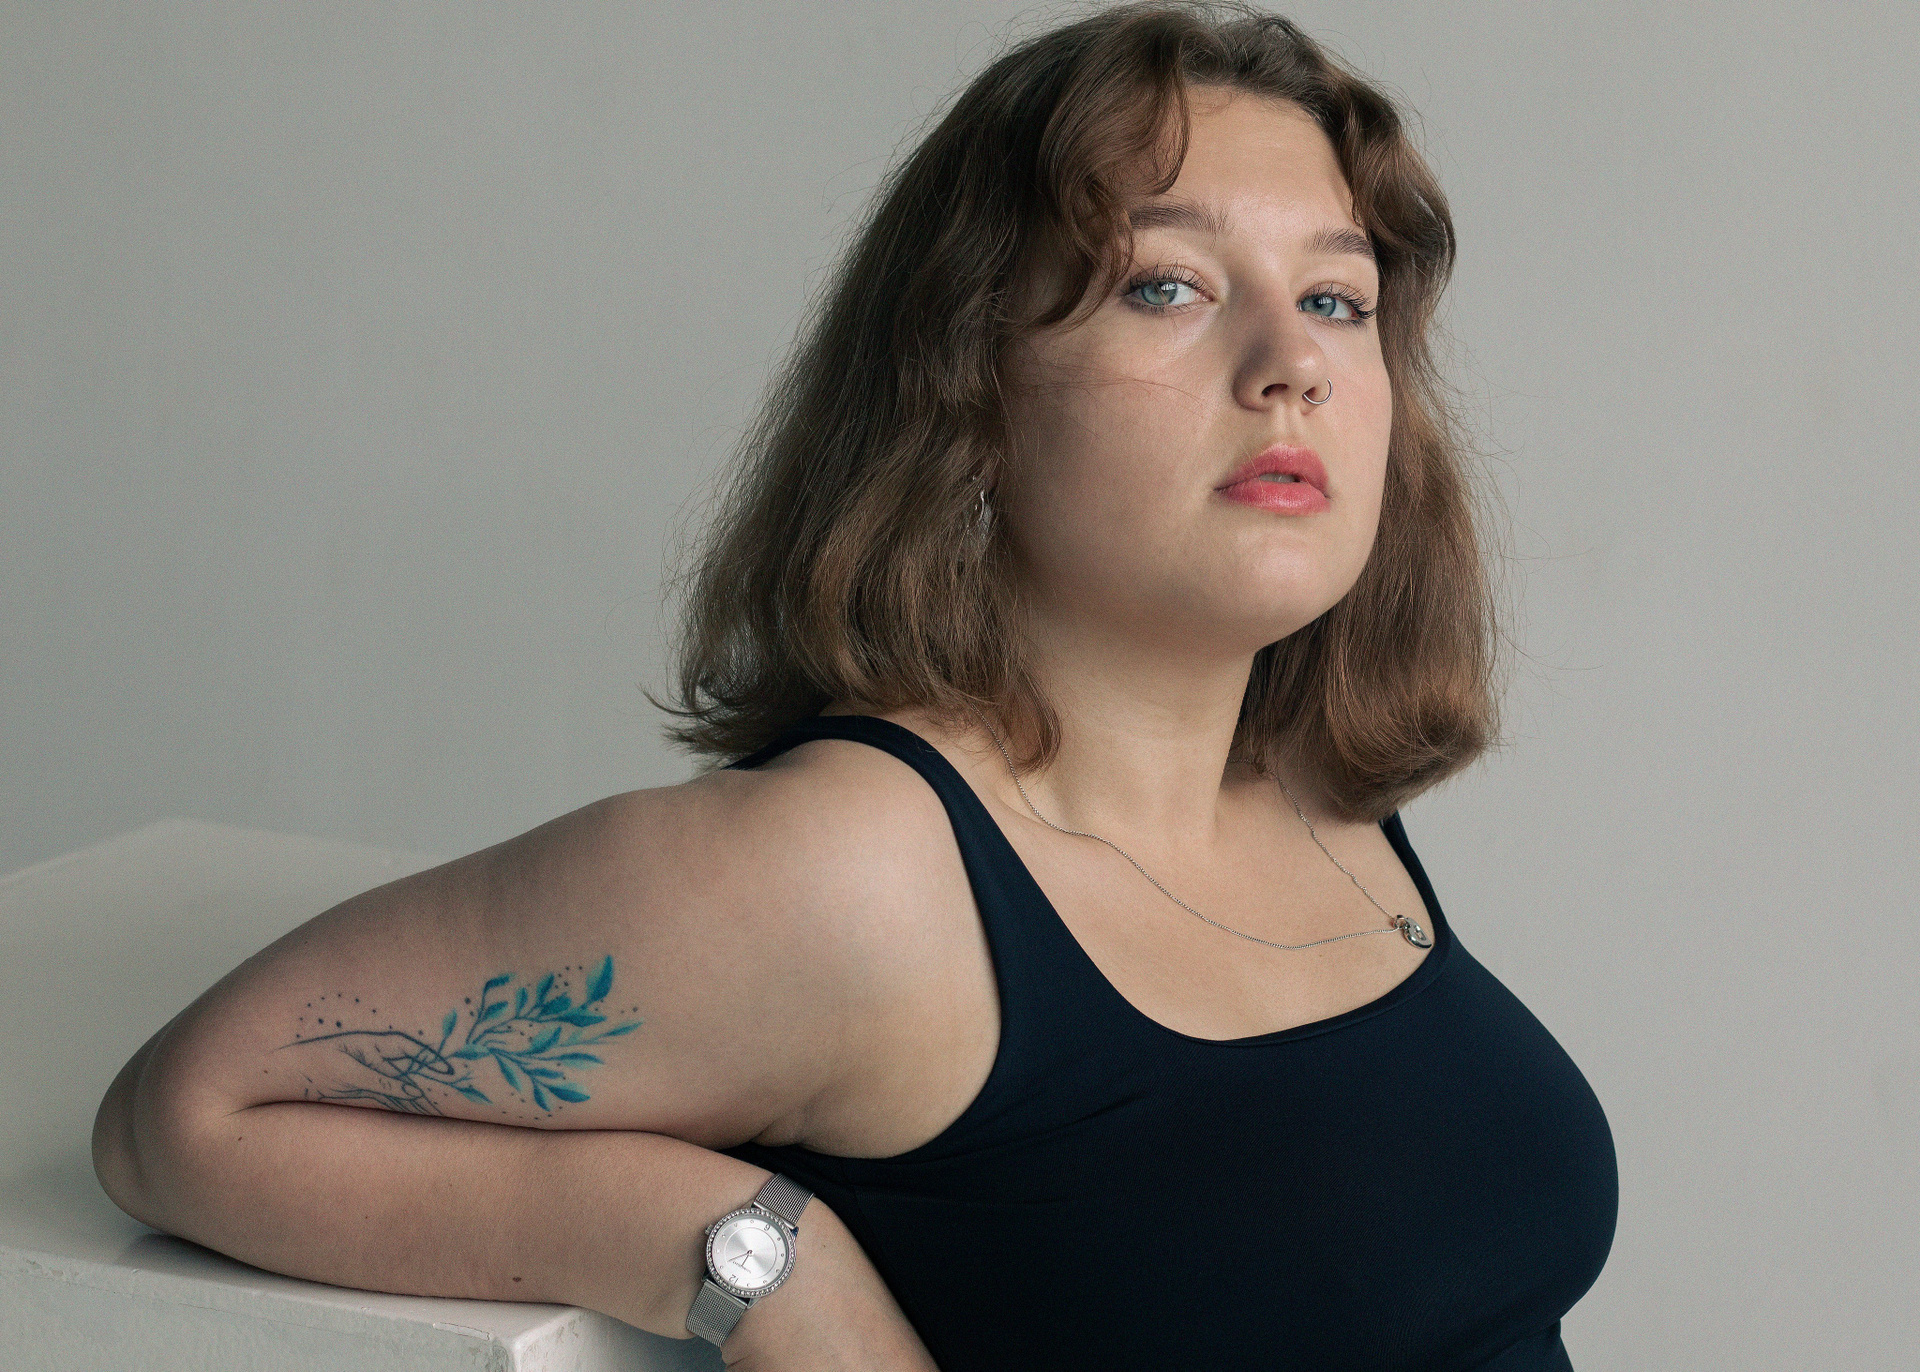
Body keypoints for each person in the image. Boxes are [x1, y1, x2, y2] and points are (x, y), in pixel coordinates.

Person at [91, 3, 1617, 1368]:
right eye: (1166, 285)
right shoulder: (855, 874)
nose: (1293, 363)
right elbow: (194, 1115)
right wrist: (759, 1269)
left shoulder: (1308, 786)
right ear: (968, 385)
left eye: (1339, 300)